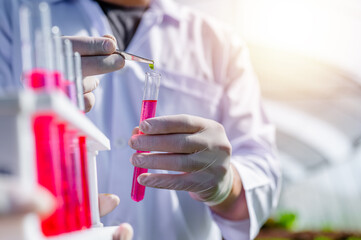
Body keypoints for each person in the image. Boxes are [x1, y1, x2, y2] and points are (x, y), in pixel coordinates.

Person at [0, 0, 281, 239]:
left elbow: (262, 169)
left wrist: (225, 184)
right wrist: (33, 104)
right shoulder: (13, 13)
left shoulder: (221, 43)